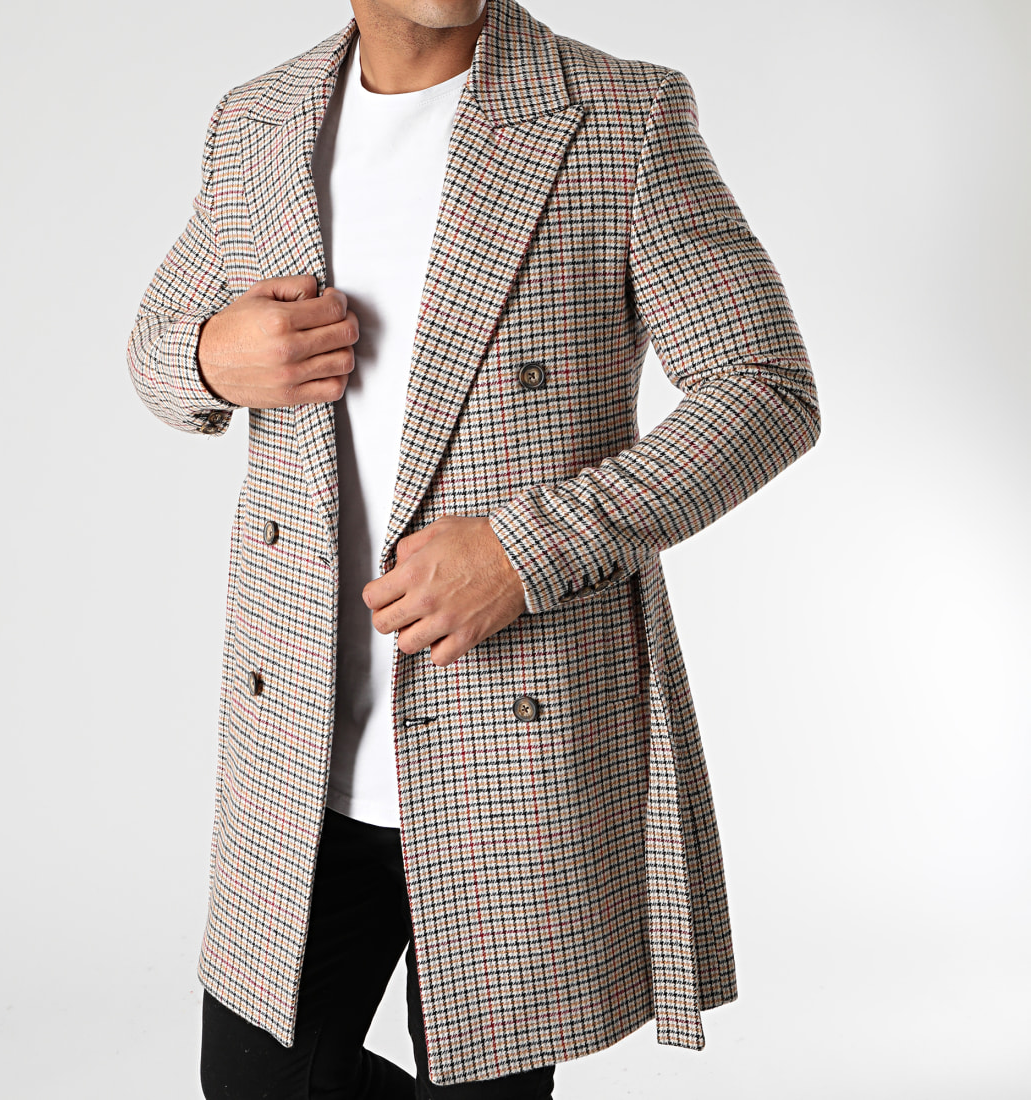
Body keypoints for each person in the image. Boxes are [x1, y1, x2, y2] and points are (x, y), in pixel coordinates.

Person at [126, 0, 821, 1095]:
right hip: (300, 746)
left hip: (513, 732)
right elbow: (155, 346)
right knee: (252, 1083)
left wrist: (523, 551)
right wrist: (212, 358)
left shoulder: (619, 114)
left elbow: (765, 389)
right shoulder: (256, 122)